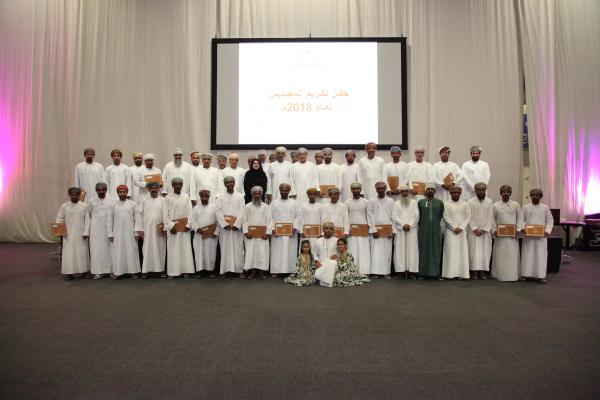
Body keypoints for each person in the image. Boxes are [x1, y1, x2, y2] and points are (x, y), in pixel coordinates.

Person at [162, 177, 194, 279]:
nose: (178, 186)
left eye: (180, 184)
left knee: (185, 250)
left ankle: (185, 270)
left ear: (182, 185)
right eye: (176, 184)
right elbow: (165, 214)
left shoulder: (186, 197)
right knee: (173, 251)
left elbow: (190, 212)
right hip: (173, 229)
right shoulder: (167, 198)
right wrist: (170, 226)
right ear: (172, 185)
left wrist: (188, 225)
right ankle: (173, 272)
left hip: (184, 228)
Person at [520, 188, 554, 283]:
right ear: (530, 196)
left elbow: (549, 220)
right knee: (527, 255)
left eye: (537, 195)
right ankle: (525, 274)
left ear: (541, 196)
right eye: (533, 195)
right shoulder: (526, 207)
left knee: (540, 255)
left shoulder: (545, 208)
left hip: (541, 237)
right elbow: (522, 220)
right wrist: (522, 228)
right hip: (528, 237)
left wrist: (547, 231)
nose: (535, 197)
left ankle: (541, 276)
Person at [56, 187, 90, 280]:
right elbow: (59, 218)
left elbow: (87, 220)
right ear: (69, 195)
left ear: (79, 195)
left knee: (82, 253)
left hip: (81, 235)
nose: (74, 196)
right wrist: (60, 230)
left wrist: (86, 232)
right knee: (69, 254)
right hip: (68, 235)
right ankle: (69, 273)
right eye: (72, 194)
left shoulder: (84, 206)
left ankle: (84, 272)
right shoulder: (64, 206)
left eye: (76, 195)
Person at [108, 185, 140, 279]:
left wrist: (137, 232)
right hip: (117, 233)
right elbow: (110, 220)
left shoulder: (133, 204)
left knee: (131, 251)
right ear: (117, 193)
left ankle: (133, 272)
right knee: (118, 252)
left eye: (124, 192)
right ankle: (118, 272)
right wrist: (110, 233)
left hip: (130, 233)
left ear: (127, 192)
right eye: (120, 192)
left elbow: (137, 219)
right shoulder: (113, 205)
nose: (122, 194)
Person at [215, 176, 245, 277]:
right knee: (225, 249)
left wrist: (237, 224)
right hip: (225, 228)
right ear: (224, 184)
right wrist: (224, 224)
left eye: (231, 182)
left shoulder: (240, 196)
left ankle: (239, 270)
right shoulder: (219, 196)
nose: (229, 184)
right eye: (227, 182)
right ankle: (225, 270)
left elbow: (242, 210)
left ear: (234, 183)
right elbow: (218, 211)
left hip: (237, 228)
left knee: (238, 249)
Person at [135, 181, 166, 279]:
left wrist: (165, 227)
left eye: (155, 188)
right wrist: (140, 229)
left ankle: (161, 270)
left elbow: (167, 215)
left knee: (160, 249)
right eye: (151, 188)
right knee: (147, 249)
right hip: (147, 230)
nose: (153, 189)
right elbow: (139, 215)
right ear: (148, 190)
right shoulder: (144, 200)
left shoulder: (163, 200)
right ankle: (146, 270)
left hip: (160, 230)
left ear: (158, 189)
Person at [241, 186, 273, 279]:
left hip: (263, 235)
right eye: (255, 193)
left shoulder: (266, 207)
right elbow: (244, 220)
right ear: (252, 194)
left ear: (262, 194)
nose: (257, 195)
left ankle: (262, 272)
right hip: (251, 235)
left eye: (259, 193)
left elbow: (270, 220)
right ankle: (253, 271)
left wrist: (268, 233)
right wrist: (246, 232)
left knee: (262, 253)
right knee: (251, 253)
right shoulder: (247, 207)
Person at [492, 185, 522, 281]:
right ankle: (499, 274)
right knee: (500, 255)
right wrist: (494, 230)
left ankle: (512, 275)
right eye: (504, 192)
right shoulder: (495, 205)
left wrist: (518, 230)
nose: (506, 193)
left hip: (512, 236)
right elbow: (492, 219)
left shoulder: (516, 205)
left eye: (508, 192)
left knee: (512, 255)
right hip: (500, 236)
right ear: (500, 193)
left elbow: (520, 218)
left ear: (510, 193)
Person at [270, 183, 301, 277]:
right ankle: (276, 270)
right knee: (277, 251)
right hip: (277, 233)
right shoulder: (274, 203)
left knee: (290, 251)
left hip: (291, 233)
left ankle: (290, 270)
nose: (284, 192)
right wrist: (273, 228)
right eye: (282, 190)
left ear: (289, 191)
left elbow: (299, 216)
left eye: (286, 190)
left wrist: (294, 228)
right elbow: (270, 216)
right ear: (279, 191)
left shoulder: (294, 203)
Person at [367, 181, 396, 278]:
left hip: (387, 230)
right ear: (376, 190)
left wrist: (392, 230)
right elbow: (369, 216)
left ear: (385, 189)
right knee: (375, 251)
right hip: (376, 231)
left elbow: (393, 216)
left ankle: (386, 272)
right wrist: (373, 230)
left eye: (382, 188)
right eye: (378, 188)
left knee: (387, 251)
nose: (380, 190)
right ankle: (375, 272)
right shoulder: (371, 201)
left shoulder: (391, 201)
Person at [442, 186, 471, 280]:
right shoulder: (446, 204)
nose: (456, 194)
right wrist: (454, 227)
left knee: (461, 252)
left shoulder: (465, 204)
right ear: (450, 193)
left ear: (460, 193)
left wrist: (461, 227)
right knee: (450, 252)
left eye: (458, 193)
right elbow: (445, 217)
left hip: (461, 232)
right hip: (450, 231)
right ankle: (449, 274)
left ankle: (461, 274)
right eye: (454, 193)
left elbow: (468, 217)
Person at [86, 182, 113, 279]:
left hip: (107, 229)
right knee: (96, 250)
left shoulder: (111, 200)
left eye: (103, 189)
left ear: (106, 190)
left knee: (108, 250)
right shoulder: (91, 201)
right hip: (95, 230)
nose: (101, 191)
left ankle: (109, 271)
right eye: (99, 189)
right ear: (96, 190)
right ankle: (97, 272)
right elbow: (89, 213)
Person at [417, 184, 444, 280]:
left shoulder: (440, 203)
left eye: (432, 189)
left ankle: (435, 273)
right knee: (423, 249)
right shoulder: (420, 202)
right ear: (425, 191)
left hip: (436, 230)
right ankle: (422, 273)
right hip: (423, 229)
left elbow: (440, 215)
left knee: (436, 250)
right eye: (428, 189)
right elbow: (418, 216)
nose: (430, 190)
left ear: (435, 191)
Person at [467, 182, 494, 279]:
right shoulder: (470, 201)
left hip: (485, 232)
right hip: (473, 232)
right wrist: (475, 228)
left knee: (484, 252)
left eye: (483, 190)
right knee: (473, 251)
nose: (481, 191)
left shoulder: (489, 201)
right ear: (476, 191)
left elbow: (491, 217)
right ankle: (474, 271)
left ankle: (482, 271)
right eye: (479, 190)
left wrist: (484, 229)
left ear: (485, 190)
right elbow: (468, 216)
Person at [392, 185, 420, 279]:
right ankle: (400, 271)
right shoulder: (396, 204)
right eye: (402, 191)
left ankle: (412, 271)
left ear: (409, 192)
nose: (404, 193)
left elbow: (416, 216)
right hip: (400, 230)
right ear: (400, 193)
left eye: (406, 191)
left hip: (412, 230)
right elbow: (394, 216)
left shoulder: (414, 203)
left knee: (412, 249)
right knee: (399, 249)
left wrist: (410, 225)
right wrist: (403, 225)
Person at [191, 189, 219, 278]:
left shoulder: (214, 207)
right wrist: (197, 228)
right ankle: (199, 270)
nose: (204, 198)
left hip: (211, 235)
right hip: (199, 235)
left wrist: (216, 232)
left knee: (210, 252)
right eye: (202, 196)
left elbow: (218, 221)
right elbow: (192, 221)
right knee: (199, 252)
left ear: (209, 197)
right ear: (200, 197)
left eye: (206, 196)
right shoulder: (196, 208)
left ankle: (210, 270)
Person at [345, 182, 371, 275]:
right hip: (352, 231)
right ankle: (352, 270)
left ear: (360, 190)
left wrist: (369, 227)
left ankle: (364, 271)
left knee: (363, 250)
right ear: (351, 190)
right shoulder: (347, 202)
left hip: (363, 230)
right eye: (354, 189)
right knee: (352, 249)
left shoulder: (366, 202)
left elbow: (369, 216)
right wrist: (347, 229)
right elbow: (345, 217)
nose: (356, 190)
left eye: (358, 188)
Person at [313, 222, 339, 287]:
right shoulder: (318, 240)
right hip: (321, 264)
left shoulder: (336, 240)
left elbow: (340, 252)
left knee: (333, 263)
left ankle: (324, 281)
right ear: (323, 230)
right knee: (318, 274)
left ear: (333, 231)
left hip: (332, 263)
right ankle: (325, 279)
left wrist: (336, 255)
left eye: (331, 229)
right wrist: (316, 261)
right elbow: (314, 253)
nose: (329, 230)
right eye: (327, 228)